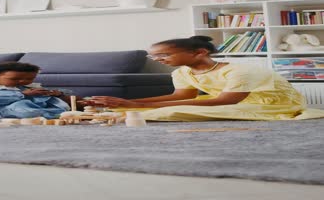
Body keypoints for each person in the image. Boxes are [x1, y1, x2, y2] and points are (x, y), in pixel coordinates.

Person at [89, 36, 324, 121]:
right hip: (228, 101)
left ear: (200, 52)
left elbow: (226, 101)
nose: (158, 59)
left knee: (171, 112)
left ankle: (135, 113)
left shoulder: (240, 70)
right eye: (155, 56)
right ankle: (125, 112)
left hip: (272, 104)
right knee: (156, 108)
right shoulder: (181, 72)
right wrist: (127, 103)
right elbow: (181, 96)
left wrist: (138, 105)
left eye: (164, 54)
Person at [0, 62, 70, 120]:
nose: (23, 82)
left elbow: (38, 98)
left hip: (29, 106)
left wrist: (54, 94)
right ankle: (48, 114)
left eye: (29, 79)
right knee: (20, 107)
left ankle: (57, 112)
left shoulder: (25, 88)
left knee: (56, 104)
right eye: (14, 79)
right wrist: (22, 94)